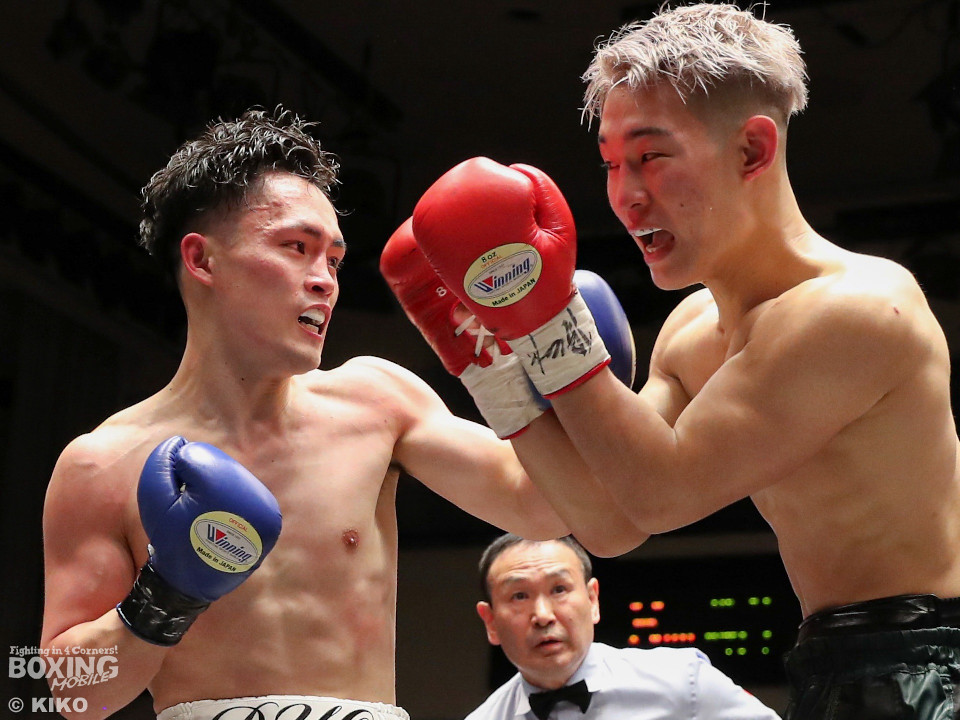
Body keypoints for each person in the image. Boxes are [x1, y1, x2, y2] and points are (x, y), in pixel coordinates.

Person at [403, 4, 960, 718]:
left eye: (651, 157)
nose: (625, 197)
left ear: (752, 150)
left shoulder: (858, 308)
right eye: (611, 164)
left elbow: (662, 495)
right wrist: (488, 367)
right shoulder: (692, 329)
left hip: (930, 666)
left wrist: (540, 320)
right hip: (829, 661)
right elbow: (611, 521)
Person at [39, 106, 576, 720]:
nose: (324, 281)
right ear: (203, 260)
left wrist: (563, 357)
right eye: (296, 247)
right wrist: (168, 594)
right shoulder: (103, 463)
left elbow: (547, 507)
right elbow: (72, 694)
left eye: (334, 260)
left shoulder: (376, 402)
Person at [465, 533, 780, 720]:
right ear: (490, 622)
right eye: (519, 596)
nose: (543, 615)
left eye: (559, 589)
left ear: (592, 600)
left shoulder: (683, 680)